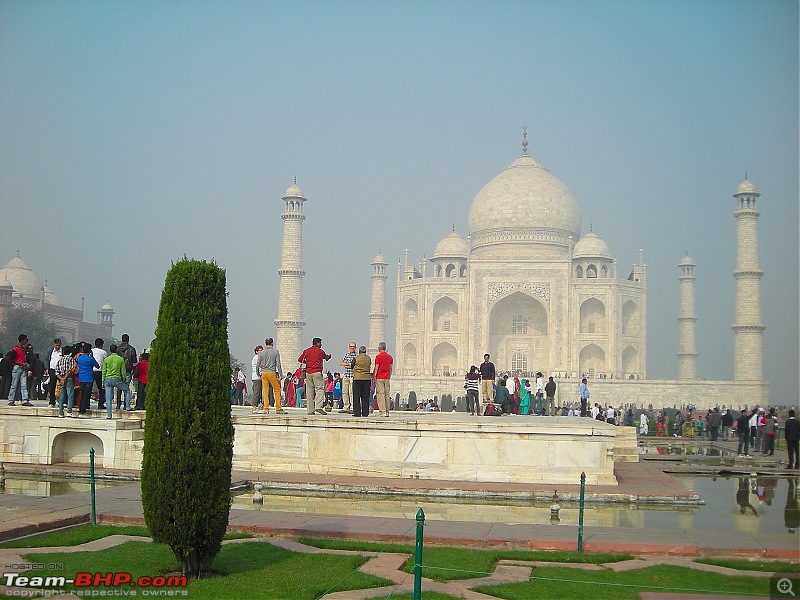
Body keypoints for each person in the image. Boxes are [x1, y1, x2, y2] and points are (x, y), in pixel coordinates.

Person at [298, 337, 331, 415]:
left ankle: (310, 410)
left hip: (308, 373)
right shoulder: (320, 351)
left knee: (309, 390)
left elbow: (300, 359)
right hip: (317, 372)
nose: (321, 344)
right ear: (317, 343)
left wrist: (308, 362)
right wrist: (329, 356)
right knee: (319, 389)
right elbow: (326, 357)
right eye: (320, 343)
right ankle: (318, 406)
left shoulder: (307, 351)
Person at [103, 344, 131, 419]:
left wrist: (103, 381)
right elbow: (123, 371)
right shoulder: (120, 359)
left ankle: (109, 415)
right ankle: (128, 406)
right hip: (116, 379)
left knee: (108, 398)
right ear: (116, 350)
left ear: (110, 350)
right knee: (127, 390)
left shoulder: (106, 359)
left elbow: (104, 371)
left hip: (108, 379)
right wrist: (124, 378)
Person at [259, 338, 284, 414]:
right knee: (276, 390)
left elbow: (258, 364)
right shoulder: (275, 352)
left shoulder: (262, 352)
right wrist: (281, 374)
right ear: (272, 343)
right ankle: (278, 408)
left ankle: (266, 408)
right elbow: (278, 364)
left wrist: (258, 373)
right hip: (271, 372)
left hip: (264, 373)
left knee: (265, 391)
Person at [76, 342, 99, 415]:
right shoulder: (90, 359)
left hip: (81, 378)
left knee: (82, 394)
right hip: (88, 378)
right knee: (86, 395)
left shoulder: (79, 358)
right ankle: (83, 410)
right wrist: (92, 356)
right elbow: (97, 366)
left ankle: (81, 408)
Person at [8, 334, 31, 406]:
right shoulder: (15, 350)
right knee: (14, 384)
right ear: (21, 340)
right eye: (25, 340)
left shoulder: (24, 349)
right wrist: (21, 363)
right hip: (17, 367)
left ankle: (25, 399)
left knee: (24, 384)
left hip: (23, 368)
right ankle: (11, 399)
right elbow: (12, 360)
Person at [115, 334, 137, 409]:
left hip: (119, 370)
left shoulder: (117, 349)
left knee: (119, 387)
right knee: (126, 388)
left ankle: (118, 404)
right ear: (128, 340)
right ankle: (126, 405)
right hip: (128, 370)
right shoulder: (132, 349)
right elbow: (134, 360)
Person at [55, 344, 76, 418]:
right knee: (70, 395)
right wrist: (65, 378)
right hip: (69, 378)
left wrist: (61, 379)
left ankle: (60, 412)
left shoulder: (59, 360)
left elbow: (56, 372)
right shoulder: (71, 359)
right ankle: (69, 411)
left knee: (61, 396)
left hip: (61, 379)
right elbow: (70, 370)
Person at [373, 342, 393, 417]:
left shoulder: (378, 357)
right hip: (387, 377)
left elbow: (377, 368)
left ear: (379, 349)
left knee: (380, 394)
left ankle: (383, 411)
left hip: (380, 377)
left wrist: (374, 377)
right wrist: (389, 376)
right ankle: (387, 411)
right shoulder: (390, 357)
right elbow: (390, 368)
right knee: (387, 394)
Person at [352, 346, 372, 418]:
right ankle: (365, 413)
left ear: (359, 351)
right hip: (367, 379)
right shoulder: (369, 358)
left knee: (356, 396)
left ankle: (357, 412)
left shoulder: (356, 358)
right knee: (365, 397)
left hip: (357, 379)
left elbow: (352, 365)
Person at [339, 342, 357, 414]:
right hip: (346, 376)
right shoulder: (347, 355)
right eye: (351, 346)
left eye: (353, 346)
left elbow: (354, 366)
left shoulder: (357, 356)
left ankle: (352, 407)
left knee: (351, 392)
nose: (352, 348)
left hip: (352, 376)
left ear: (355, 347)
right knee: (344, 392)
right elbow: (341, 363)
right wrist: (348, 365)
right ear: (349, 347)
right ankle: (346, 407)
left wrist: (347, 365)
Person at [45, 338, 62, 408]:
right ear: (54, 345)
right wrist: (46, 368)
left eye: (58, 345)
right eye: (56, 345)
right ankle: (52, 402)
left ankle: (61, 401)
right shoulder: (50, 351)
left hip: (60, 371)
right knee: (52, 386)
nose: (57, 347)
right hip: (52, 370)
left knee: (61, 387)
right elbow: (47, 359)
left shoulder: (62, 351)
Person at [91, 338, 108, 410]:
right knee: (101, 388)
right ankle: (101, 404)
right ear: (102, 345)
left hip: (91, 371)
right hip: (99, 371)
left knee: (88, 388)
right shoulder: (104, 352)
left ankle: (86, 404)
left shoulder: (91, 351)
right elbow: (105, 362)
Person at [250, 345, 263, 412]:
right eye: (260, 350)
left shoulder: (258, 357)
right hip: (257, 377)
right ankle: (254, 408)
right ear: (256, 351)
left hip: (258, 377)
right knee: (256, 393)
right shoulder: (257, 358)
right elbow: (262, 365)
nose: (261, 352)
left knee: (259, 393)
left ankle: (258, 406)